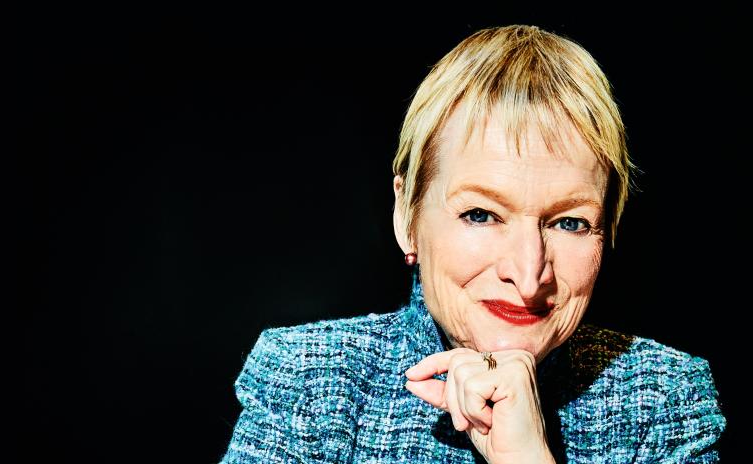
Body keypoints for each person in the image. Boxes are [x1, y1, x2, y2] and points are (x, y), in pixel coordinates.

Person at [218, 25, 726, 463]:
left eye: (569, 223)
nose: (528, 274)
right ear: (406, 215)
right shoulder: (310, 381)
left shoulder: (663, 402)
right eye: (480, 214)